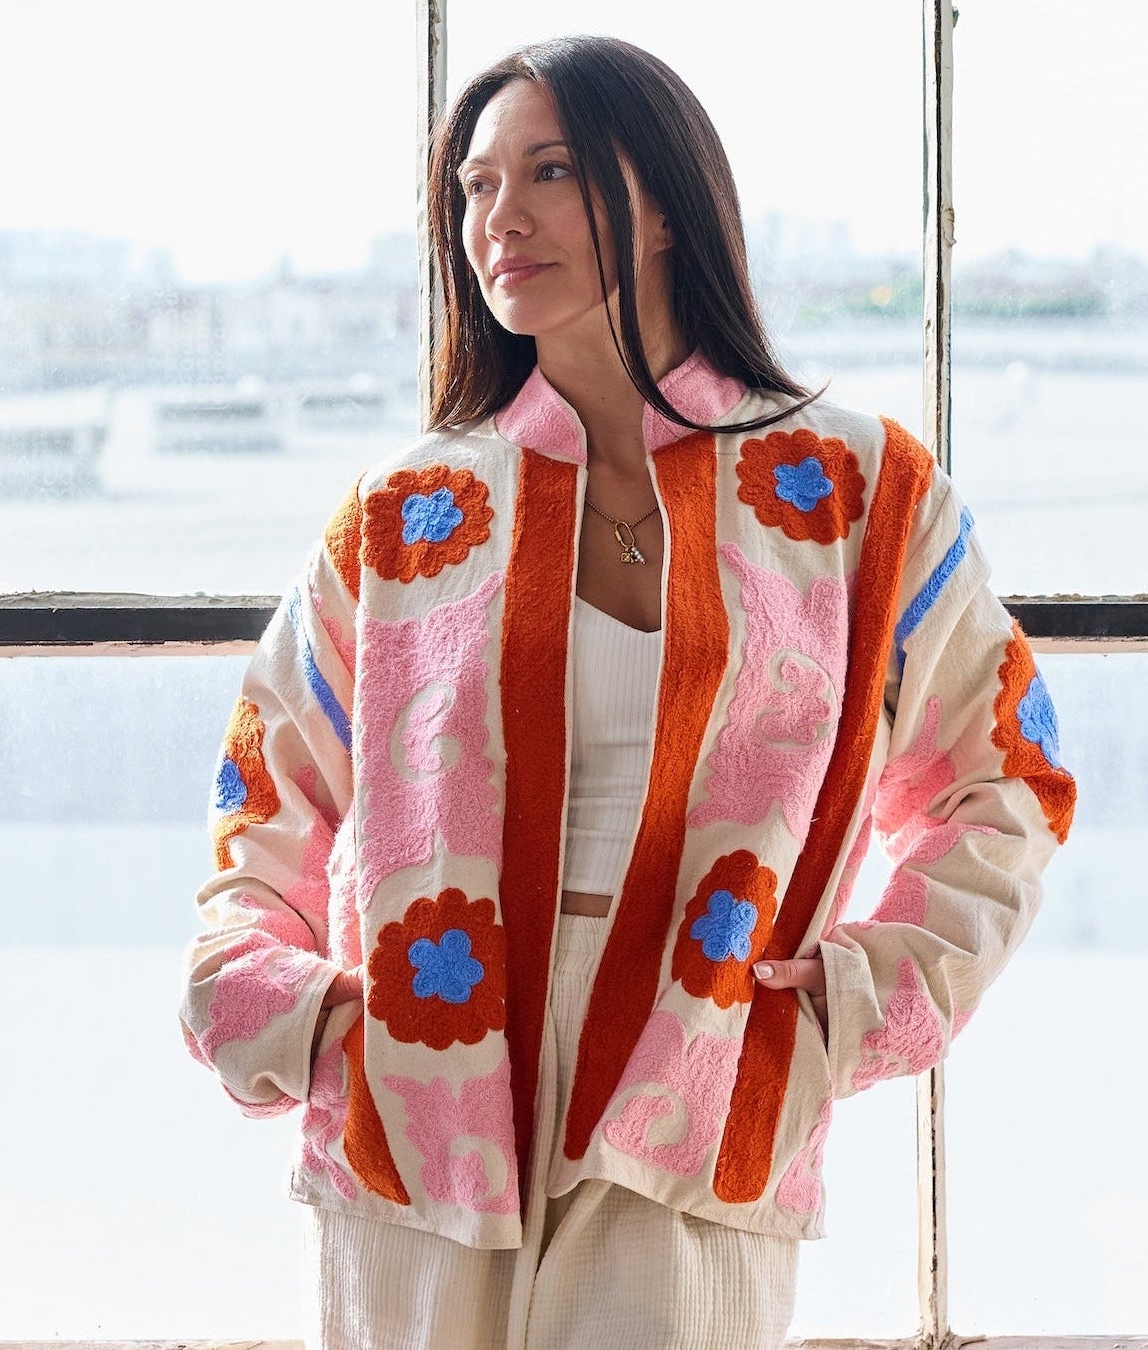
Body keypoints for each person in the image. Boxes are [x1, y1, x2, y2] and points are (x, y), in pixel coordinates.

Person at [178, 33, 1077, 1350]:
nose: (506, 217)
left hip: (703, 1077)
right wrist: (305, 1022)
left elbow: (1007, 782)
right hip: (422, 1098)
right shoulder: (407, 516)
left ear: (662, 199)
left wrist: (838, 1012)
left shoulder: (856, 496)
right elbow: (266, 799)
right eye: (477, 187)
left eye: (550, 171)